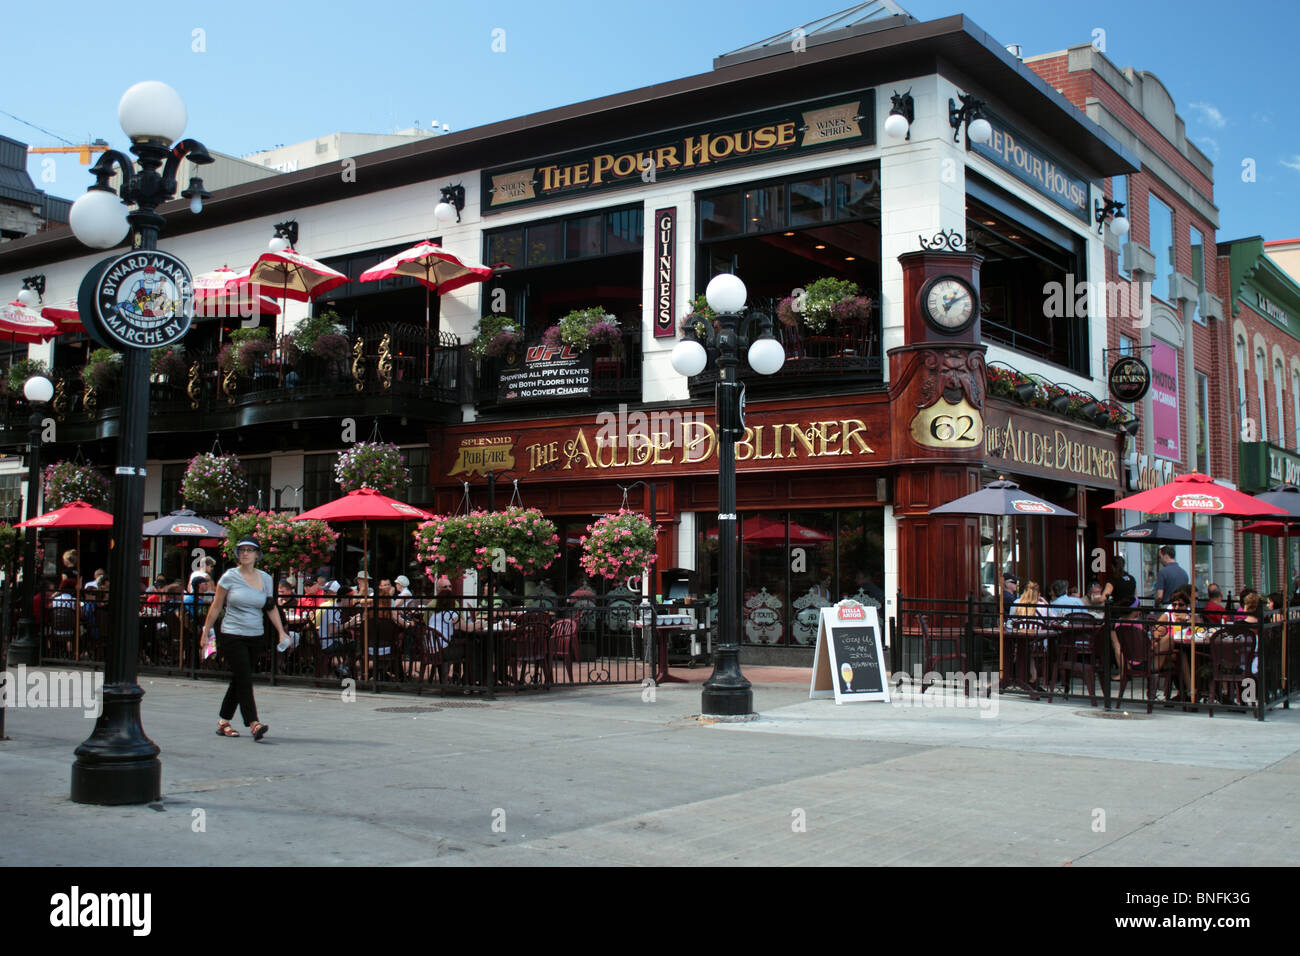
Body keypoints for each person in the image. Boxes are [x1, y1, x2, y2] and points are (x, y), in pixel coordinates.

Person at [202, 539, 288, 741]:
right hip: (232, 633)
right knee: (245, 678)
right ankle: (253, 722)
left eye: (250, 550)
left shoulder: (265, 579)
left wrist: (281, 632)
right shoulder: (229, 577)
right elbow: (216, 606)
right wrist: (206, 629)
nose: (245, 554)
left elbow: (270, 606)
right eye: (242, 550)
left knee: (240, 678)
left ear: (258, 555)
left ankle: (223, 721)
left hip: (255, 634)